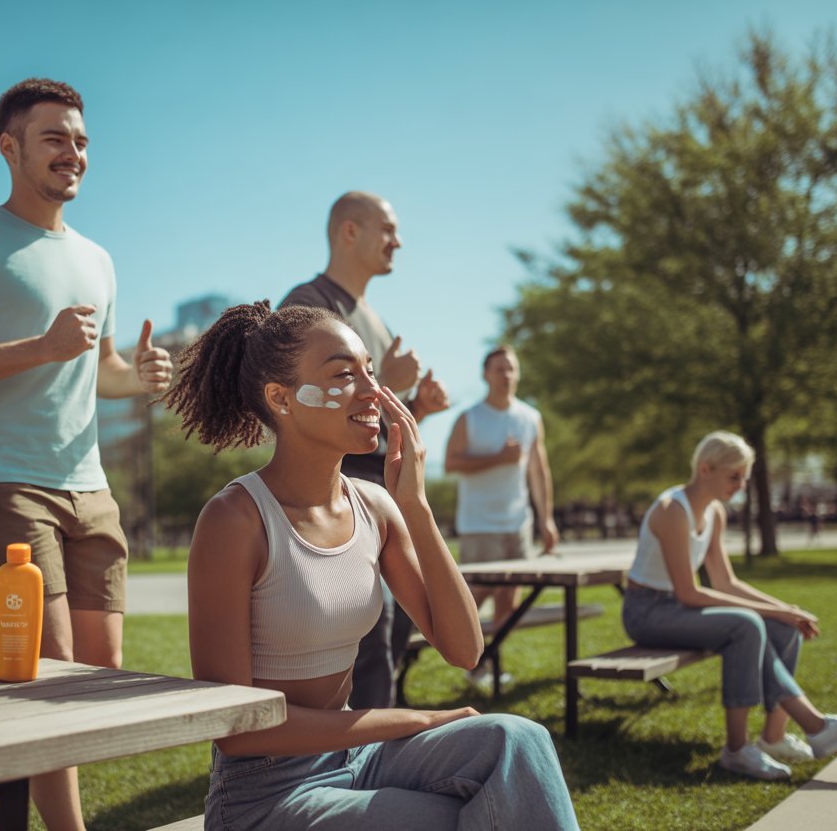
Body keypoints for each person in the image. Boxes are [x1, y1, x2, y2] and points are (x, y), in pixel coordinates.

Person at [164, 300, 580, 831]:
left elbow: (464, 648)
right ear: (281, 398)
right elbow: (237, 728)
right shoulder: (235, 520)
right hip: (264, 793)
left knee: (518, 738)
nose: (373, 392)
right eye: (344, 374)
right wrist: (419, 719)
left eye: (370, 371)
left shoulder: (376, 506)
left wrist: (417, 508)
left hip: (356, 759)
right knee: (454, 819)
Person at [0, 78, 172, 830]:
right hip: (3, 479)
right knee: (49, 676)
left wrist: (139, 379)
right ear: (9, 146)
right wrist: (41, 345)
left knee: (97, 673)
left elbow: (102, 367)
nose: (73, 153)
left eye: (81, 141)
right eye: (54, 138)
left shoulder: (97, 258)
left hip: (86, 482)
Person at [621, 431, 837, 780]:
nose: (741, 486)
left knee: (783, 628)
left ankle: (773, 738)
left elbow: (726, 582)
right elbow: (689, 592)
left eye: (743, 477)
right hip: (647, 612)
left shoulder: (714, 512)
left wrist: (786, 610)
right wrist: (774, 610)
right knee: (746, 625)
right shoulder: (672, 511)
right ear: (705, 469)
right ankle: (743, 749)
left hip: (678, 610)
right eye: (734, 476)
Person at [279, 191, 450, 709]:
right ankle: (349, 756)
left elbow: (368, 426)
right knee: (368, 636)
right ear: (349, 232)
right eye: (388, 229)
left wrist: (416, 405)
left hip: (383, 497)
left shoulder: (375, 319)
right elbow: (300, 414)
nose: (397, 241)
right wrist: (387, 381)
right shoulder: (306, 306)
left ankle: (375, 747)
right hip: (335, 496)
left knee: (392, 634)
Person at [444, 345, 558, 688]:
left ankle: (487, 666)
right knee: (474, 597)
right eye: (499, 369)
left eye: (511, 368)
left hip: (517, 524)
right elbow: (451, 463)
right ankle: (467, 659)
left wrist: (546, 519)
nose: (506, 375)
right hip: (480, 524)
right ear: (485, 374)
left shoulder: (530, 417)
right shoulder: (470, 418)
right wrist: (497, 457)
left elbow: (539, 470)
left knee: (510, 602)